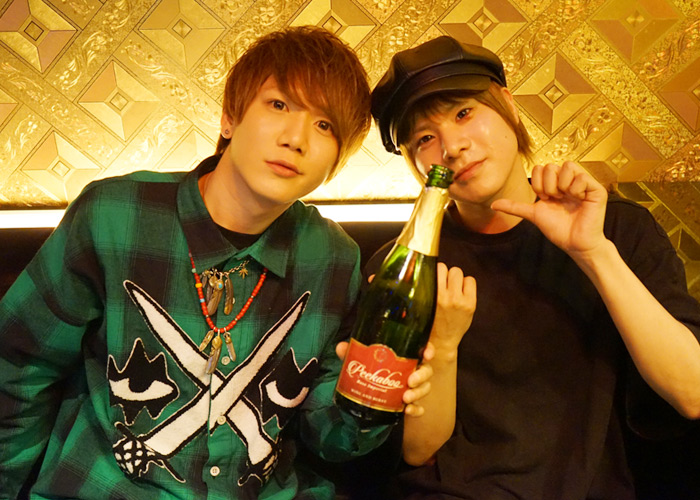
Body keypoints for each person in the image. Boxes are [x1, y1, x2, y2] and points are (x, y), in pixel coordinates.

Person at [0, 26, 433, 499]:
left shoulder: (333, 259)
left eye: (325, 126)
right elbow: (17, 369)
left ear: (337, 161)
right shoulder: (115, 215)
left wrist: (366, 405)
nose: (296, 138)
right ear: (230, 117)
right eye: (279, 105)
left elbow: (329, 438)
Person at [367, 36, 700, 499]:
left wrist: (592, 252)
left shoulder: (617, 229)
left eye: (464, 113)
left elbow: (692, 392)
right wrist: (442, 344)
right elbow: (416, 450)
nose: (453, 147)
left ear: (508, 105)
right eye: (425, 138)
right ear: (414, 164)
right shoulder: (405, 267)